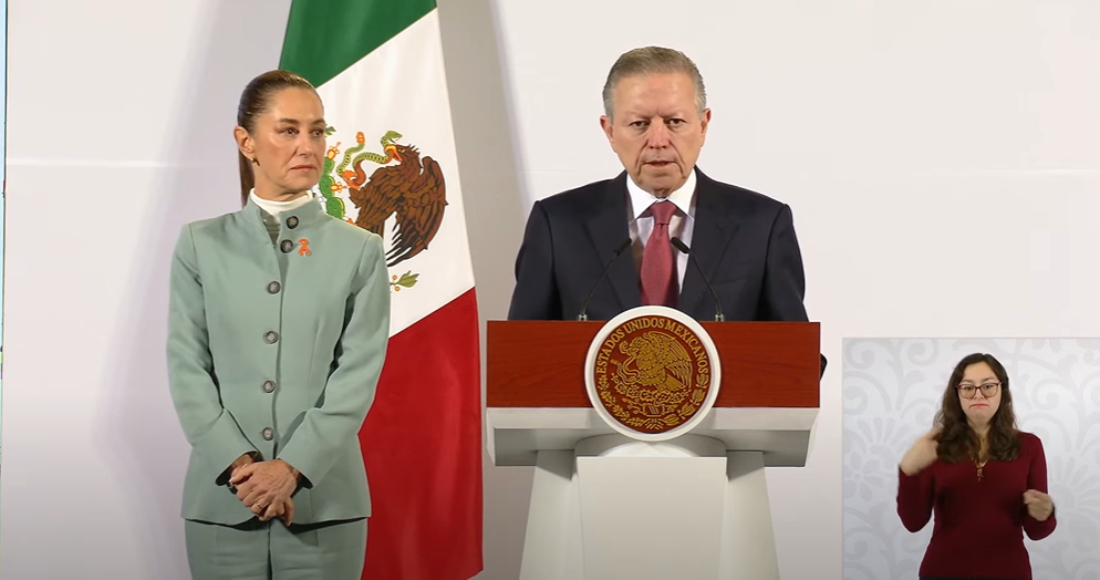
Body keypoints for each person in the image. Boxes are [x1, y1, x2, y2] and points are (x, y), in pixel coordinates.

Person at [166, 69, 391, 579]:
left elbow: (357, 374)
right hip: (223, 504)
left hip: (324, 506)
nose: (307, 145)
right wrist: (242, 468)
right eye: (288, 130)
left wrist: (291, 469)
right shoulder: (201, 244)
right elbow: (187, 367)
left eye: (317, 130)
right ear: (246, 141)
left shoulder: (360, 249)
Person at [507, 46, 812, 326]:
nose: (658, 141)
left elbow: (796, 357)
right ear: (610, 131)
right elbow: (520, 355)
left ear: (703, 125)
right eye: (639, 124)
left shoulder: (761, 225)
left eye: (674, 122)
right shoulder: (558, 225)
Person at [897, 353, 1056, 580]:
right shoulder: (934, 446)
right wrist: (908, 471)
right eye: (968, 387)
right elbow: (913, 523)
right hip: (942, 571)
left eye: (988, 386)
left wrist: (1044, 513)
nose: (978, 394)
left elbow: (1038, 532)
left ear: (1003, 391)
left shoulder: (1029, 446)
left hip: (1010, 572)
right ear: (957, 393)